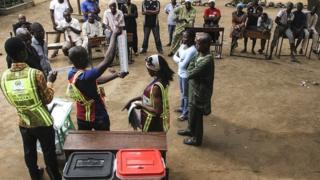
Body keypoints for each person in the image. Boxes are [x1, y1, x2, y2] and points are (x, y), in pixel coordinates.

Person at [1, 37, 61, 180]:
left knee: (29, 151)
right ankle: (55, 176)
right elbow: (47, 99)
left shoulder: (4, 77)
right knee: (48, 151)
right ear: (22, 53)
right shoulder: (36, 74)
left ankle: (34, 175)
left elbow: (11, 99)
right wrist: (50, 82)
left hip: (23, 121)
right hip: (42, 122)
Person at [67, 28, 127, 131]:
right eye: (86, 56)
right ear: (81, 59)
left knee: (86, 143)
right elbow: (108, 59)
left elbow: (97, 80)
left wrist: (116, 75)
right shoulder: (85, 76)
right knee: (105, 142)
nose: (88, 58)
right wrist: (114, 35)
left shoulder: (72, 73)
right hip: (97, 115)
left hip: (82, 117)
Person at [177, 33, 214, 146]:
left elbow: (190, 73)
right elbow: (191, 66)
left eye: (199, 43)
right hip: (194, 88)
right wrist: (191, 67)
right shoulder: (199, 53)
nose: (196, 45)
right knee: (191, 110)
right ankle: (190, 129)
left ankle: (196, 139)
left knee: (197, 116)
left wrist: (190, 68)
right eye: (196, 42)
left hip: (200, 92)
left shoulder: (206, 60)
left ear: (207, 45)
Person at [123, 54, 174, 132]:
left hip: (153, 123)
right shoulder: (161, 79)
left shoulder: (156, 87)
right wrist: (131, 100)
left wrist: (141, 106)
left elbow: (157, 111)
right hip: (155, 121)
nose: (147, 71)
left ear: (155, 70)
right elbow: (149, 97)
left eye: (148, 69)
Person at [173, 30, 197, 121]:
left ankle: (186, 112)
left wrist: (179, 60)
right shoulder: (183, 46)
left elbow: (183, 65)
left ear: (192, 38)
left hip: (186, 75)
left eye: (185, 37)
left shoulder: (192, 50)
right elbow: (174, 56)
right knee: (182, 92)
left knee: (186, 94)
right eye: (183, 37)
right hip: (180, 73)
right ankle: (182, 107)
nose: (183, 39)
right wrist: (181, 61)